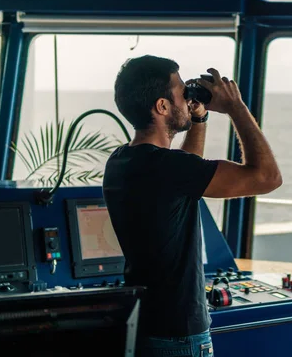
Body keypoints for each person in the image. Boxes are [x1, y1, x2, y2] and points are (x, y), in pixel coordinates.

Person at [102, 55, 282, 357]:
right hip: (180, 337)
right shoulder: (169, 169)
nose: (188, 97)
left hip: (147, 325)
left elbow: (185, 171)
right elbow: (267, 177)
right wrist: (235, 107)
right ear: (161, 106)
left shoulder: (121, 161)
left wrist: (198, 118)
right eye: (181, 92)